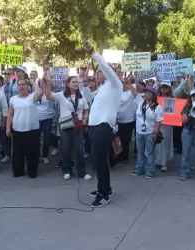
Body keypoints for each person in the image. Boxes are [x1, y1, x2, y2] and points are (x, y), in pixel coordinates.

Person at [83, 37, 122, 208]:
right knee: (98, 160)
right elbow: (88, 97)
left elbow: (105, 68)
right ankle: (104, 188)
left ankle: (104, 194)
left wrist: (93, 52)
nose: (98, 73)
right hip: (94, 128)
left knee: (100, 161)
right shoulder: (102, 89)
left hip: (103, 127)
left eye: (100, 72)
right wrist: (83, 84)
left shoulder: (115, 84)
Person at [44, 75, 92, 180]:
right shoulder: (61, 95)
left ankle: (82, 172)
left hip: (77, 126)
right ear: (68, 84)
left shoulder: (81, 96)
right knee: (66, 149)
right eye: (73, 82)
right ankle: (66, 170)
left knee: (79, 149)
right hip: (65, 126)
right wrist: (48, 85)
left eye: (77, 82)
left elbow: (86, 109)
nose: (76, 84)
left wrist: (85, 118)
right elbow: (48, 97)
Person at [6, 78, 42, 178]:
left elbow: (39, 92)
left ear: (27, 86)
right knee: (18, 153)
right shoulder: (13, 99)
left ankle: (32, 172)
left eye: (23, 85)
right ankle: (18, 171)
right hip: (18, 130)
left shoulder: (32, 97)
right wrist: (8, 127)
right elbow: (10, 113)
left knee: (32, 152)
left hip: (32, 130)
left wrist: (33, 82)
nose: (21, 87)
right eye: (19, 85)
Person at [132, 87, 163, 178]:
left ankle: (150, 171)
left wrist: (156, 133)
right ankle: (139, 169)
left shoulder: (157, 107)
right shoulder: (140, 102)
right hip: (139, 132)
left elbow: (158, 121)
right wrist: (129, 82)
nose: (146, 94)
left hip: (150, 132)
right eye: (145, 92)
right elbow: (134, 92)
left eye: (148, 93)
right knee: (140, 151)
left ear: (153, 95)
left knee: (150, 152)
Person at [115, 77, 137, 164]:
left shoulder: (131, 93)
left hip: (128, 120)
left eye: (126, 83)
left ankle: (125, 156)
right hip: (117, 120)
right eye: (122, 82)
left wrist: (130, 83)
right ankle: (119, 154)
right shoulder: (117, 93)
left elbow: (135, 92)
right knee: (118, 139)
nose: (124, 84)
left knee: (125, 139)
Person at [155, 81, 174, 172]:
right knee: (156, 142)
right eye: (162, 86)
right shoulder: (155, 98)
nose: (163, 88)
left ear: (169, 89)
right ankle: (156, 160)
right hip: (157, 123)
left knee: (165, 142)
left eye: (166, 87)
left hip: (167, 124)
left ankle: (164, 163)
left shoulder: (173, 99)